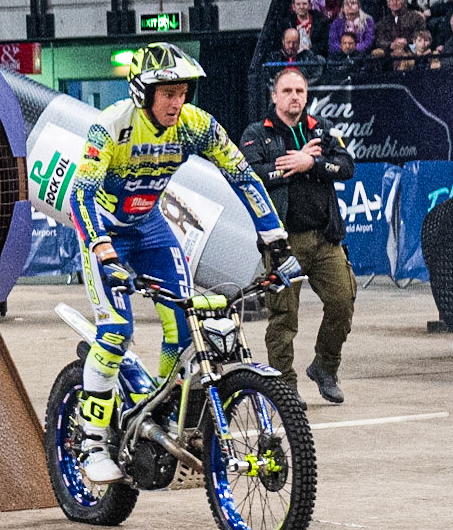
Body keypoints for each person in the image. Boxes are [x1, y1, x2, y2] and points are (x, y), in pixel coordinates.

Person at [68, 44, 299, 485]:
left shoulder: (195, 125)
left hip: (150, 227)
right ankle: (91, 443)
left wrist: (276, 241)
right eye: (168, 94)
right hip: (104, 230)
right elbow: (81, 194)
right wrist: (102, 250)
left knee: (185, 321)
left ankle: (161, 406)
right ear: (143, 93)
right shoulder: (111, 127)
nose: (177, 103)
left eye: (182, 93)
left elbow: (243, 176)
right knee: (115, 331)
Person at [240, 67, 357, 401]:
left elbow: (346, 166)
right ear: (274, 96)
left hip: (325, 237)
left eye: (300, 91)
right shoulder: (257, 133)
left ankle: (325, 367)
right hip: (282, 242)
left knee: (342, 302)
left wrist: (313, 164)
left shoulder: (322, 128)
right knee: (283, 317)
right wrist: (291, 165)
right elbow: (249, 174)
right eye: (288, 91)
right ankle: (284, 387)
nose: (294, 97)